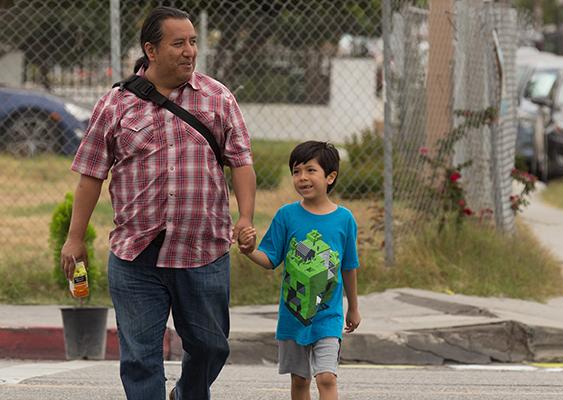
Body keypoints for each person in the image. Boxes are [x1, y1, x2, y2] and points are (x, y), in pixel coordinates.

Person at [60, 6, 256, 400]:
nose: (189, 51)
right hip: (136, 255)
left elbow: (241, 163)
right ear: (151, 49)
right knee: (140, 358)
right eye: (178, 43)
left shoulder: (217, 97)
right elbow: (91, 176)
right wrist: (74, 238)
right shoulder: (115, 105)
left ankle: (186, 394)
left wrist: (246, 217)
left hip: (203, 250)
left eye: (193, 42)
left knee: (211, 347)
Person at [238, 141, 360, 400]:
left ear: (330, 176)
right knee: (300, 379)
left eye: (310, 170)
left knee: (326, 377)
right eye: (296, 171)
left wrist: (354, 307)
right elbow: (270, 258)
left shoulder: (345, 219)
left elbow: (349, 266)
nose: (302, 177)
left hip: (329, 317)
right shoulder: (286, 216)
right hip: (293, 317)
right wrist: (249, 250)